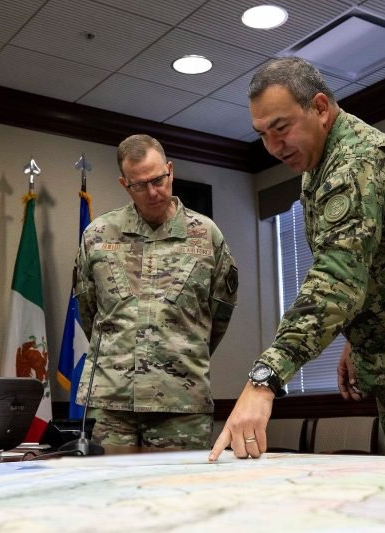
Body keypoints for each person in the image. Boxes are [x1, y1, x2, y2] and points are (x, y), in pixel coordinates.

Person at [209, 57, 385, 461]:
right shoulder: (319, 164)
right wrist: (359, 334)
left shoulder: (356, 162)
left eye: (281, 128)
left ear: (320, 108)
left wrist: (265, 378)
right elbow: (367, 263)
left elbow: (336, 279)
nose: (272, 147)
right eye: (263, 135)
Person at [74, 134, 238, 451]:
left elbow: (220, 314)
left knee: (178, 484)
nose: (152, 192)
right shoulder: (98, 235)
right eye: (139, 185)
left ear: (170, 171)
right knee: (109, 484)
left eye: (158, 180)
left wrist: (180, 352)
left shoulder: (206, 235)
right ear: (125, 184)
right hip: (111, 403)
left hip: (181, 403)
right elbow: (89, 311)